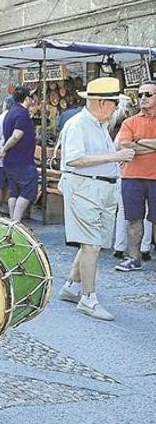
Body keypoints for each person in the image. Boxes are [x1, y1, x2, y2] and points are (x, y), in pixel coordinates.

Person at [57, 77, 135, 321]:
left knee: (94, 241)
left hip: (101, 188)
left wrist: (113, 158)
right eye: (114, 103)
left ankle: (72, 286)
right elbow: (74, 159)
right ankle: (88, 299)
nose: (116, 108)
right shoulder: (78, 124)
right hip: (85, 188)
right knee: (91, 244)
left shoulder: (99, 123)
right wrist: (115, 157)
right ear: (101, 102)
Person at [114, 80, 156, 271]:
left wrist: (139, 142)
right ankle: (134, 258)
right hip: (132, 176)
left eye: (148, 94)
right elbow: (124, 147)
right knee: (133, 219)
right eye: (140, 95)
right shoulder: (129, 122)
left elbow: (133, 146)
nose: (143, 98)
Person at [0, 86, 38, 221]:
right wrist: (4, 149)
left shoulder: (10, 112)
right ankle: (16, 221)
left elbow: (6, 135)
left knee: (14, 191)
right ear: (27, 99)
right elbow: (16, 135)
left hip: (10, 161)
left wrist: (3, 148)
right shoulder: (22, 114)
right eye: (31, 97)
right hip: (22, 160)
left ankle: (12, 222)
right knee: (28, 190)